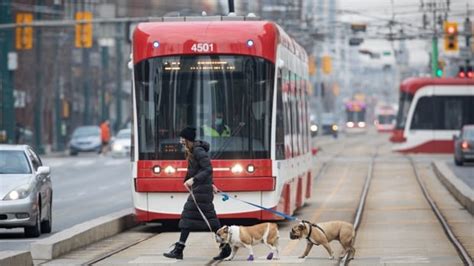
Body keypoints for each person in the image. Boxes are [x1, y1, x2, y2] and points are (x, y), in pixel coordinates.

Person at [163, 127, 231, 260]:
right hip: (201, 189)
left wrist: (193, 180)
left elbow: (208, 169)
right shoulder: (193, 150)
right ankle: (224, 247)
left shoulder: (198, 151)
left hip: (201, 190)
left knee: (191, 216)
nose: (180, 140)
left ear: (187, 139)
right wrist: (211, 184)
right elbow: (202, 170)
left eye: (182, 138)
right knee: (202, 219)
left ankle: (180, 249)